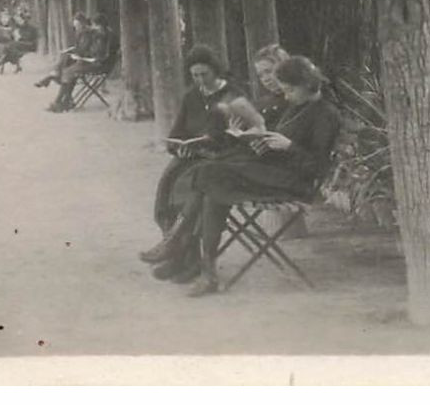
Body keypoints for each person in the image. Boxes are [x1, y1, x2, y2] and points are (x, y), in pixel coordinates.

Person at [146, 55, 341, 295]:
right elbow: (275, 141)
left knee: (208, 174)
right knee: (211, 188)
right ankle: (204, 270)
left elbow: (317, 166)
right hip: (272, 171)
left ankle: (178, 244)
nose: (286, 95)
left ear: (306, 85)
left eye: (290, 90)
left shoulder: (327, 115)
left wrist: (289, 147)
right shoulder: (296, 106)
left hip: (294, 181)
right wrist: (258, 142)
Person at [144, 47, 257, 234]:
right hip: (192, 156)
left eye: (205, 74)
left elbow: (243, 134)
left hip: (222, 157)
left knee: (190, 190)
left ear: (215, 70)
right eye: (195, 75)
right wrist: (180, 148)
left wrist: (218, 139)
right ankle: (172, 241)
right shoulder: (191, 96)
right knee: (168, 183)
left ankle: (184, 248)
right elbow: (176, 133)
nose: (201, 80)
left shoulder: (234, 95)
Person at [46, 14, 115, 111]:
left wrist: (84, 57)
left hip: (99, 65)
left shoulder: (102, 36)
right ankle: (65, 101)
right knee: (71, 68)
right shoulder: (103, 34)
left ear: (100, 25)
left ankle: (60, 101)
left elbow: (99, 55)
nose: (93, 28)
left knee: (69, 71)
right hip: (96, 62)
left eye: (94, 26)